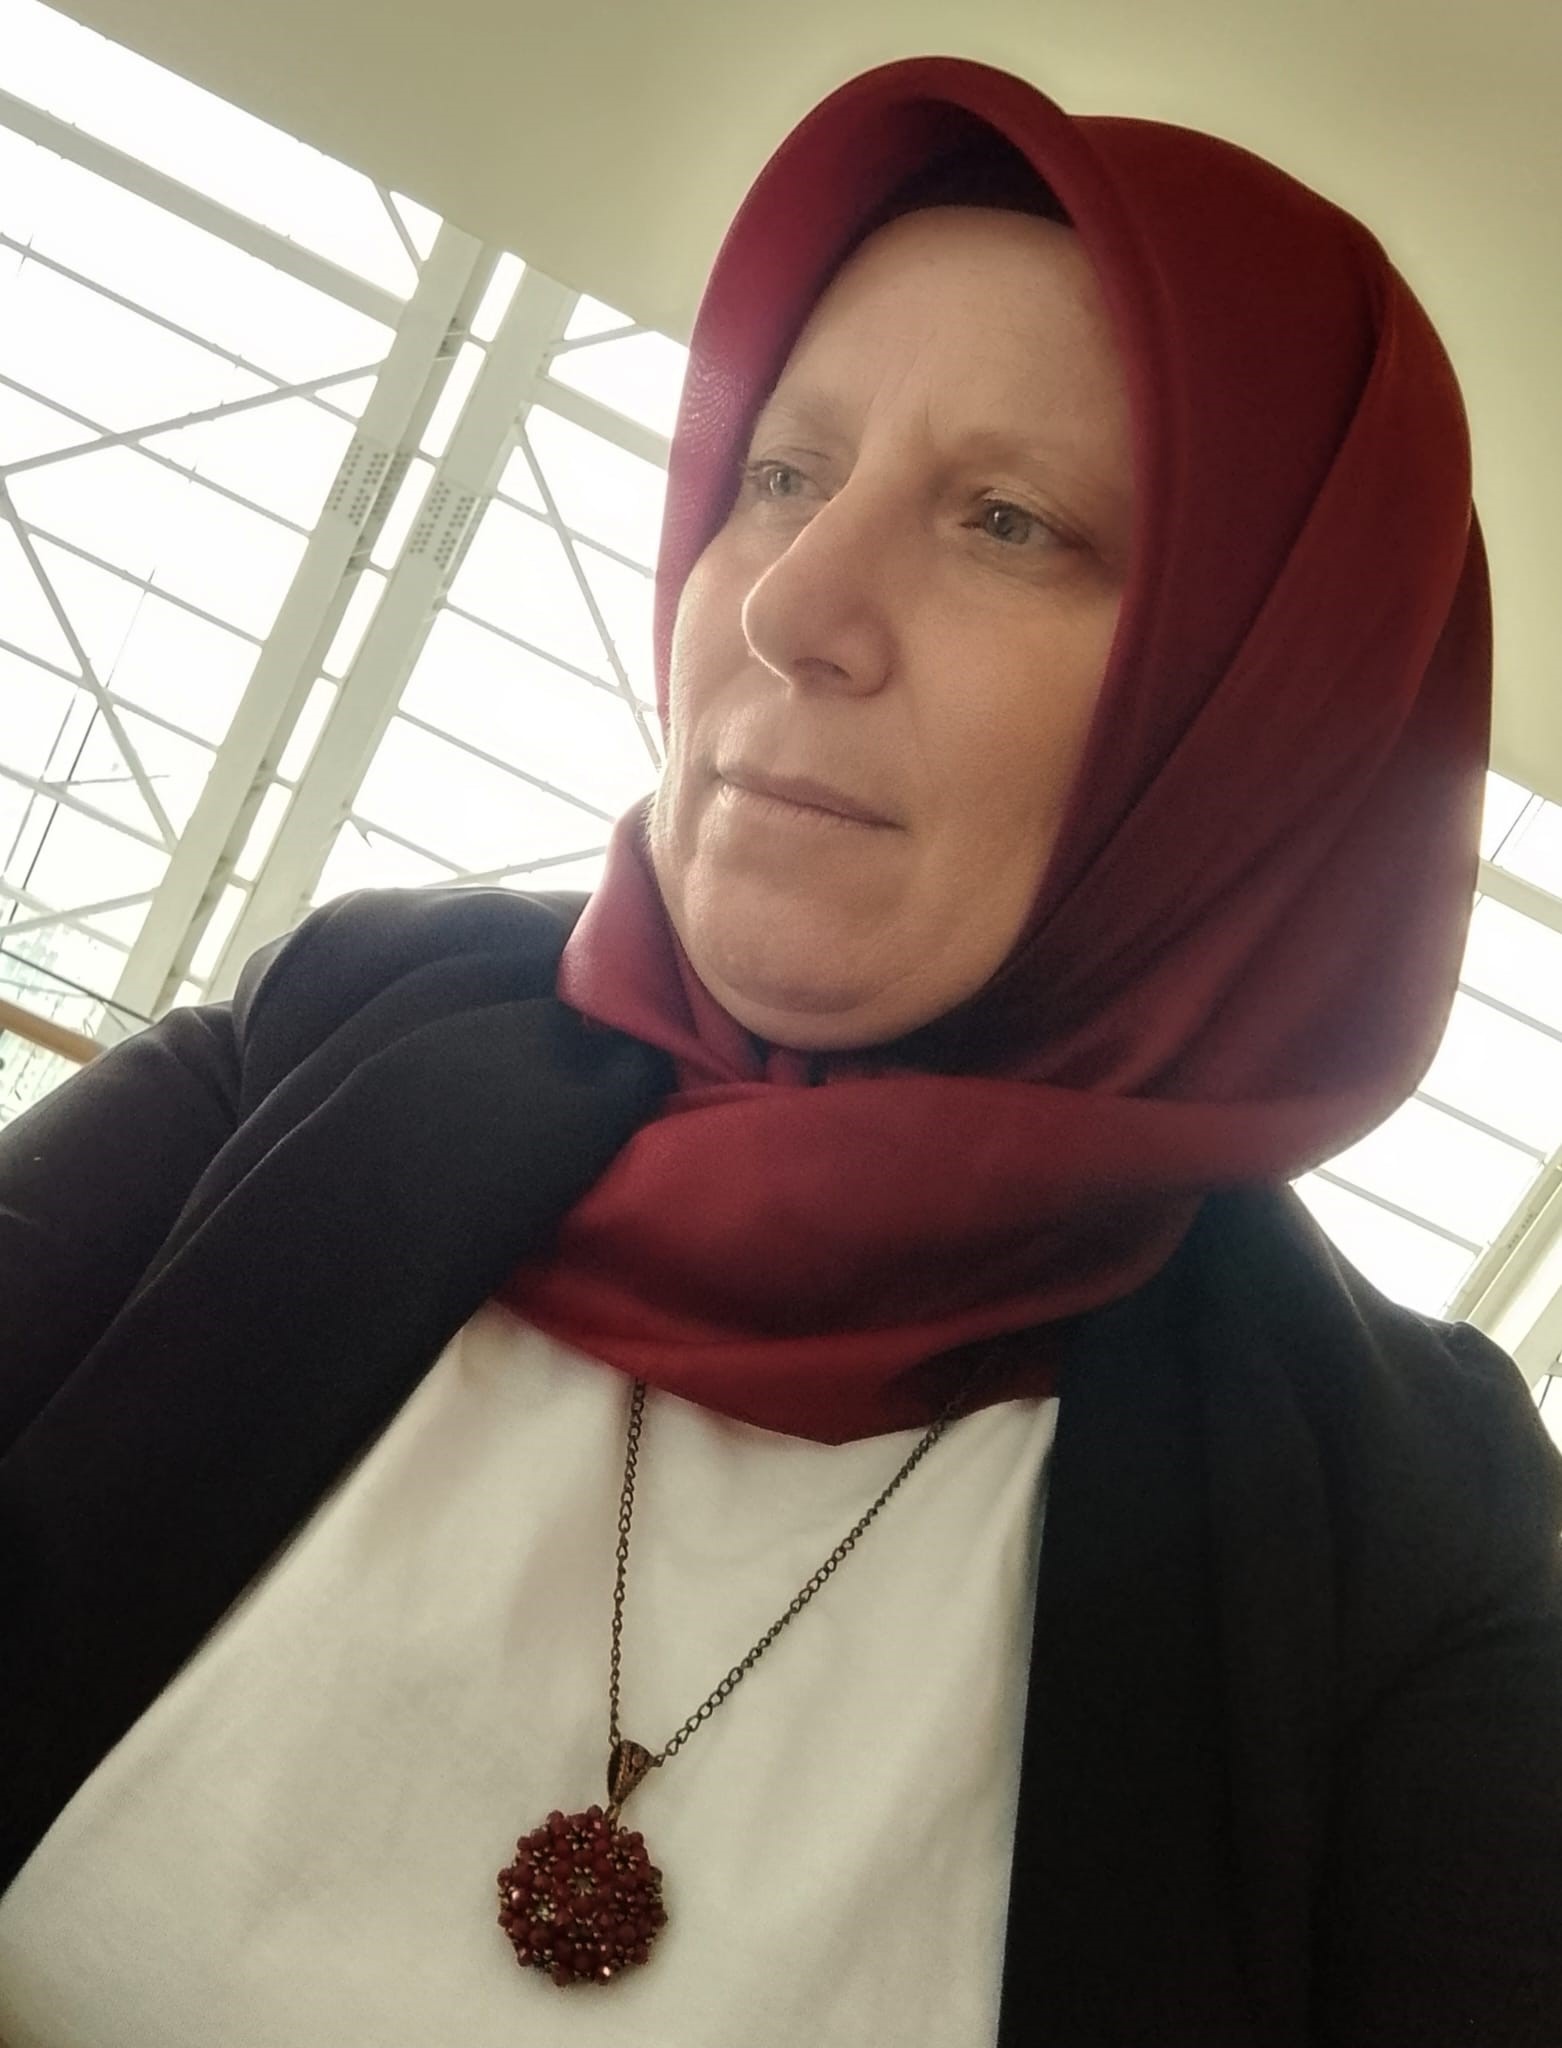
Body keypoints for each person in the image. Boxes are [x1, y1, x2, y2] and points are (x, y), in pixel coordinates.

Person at [1, 49, 1559, 2048]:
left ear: (1262, 719)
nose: (789, 606)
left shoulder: (1405, 1532)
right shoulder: (339, 1032)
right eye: (781, 474)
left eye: (1006, 520)